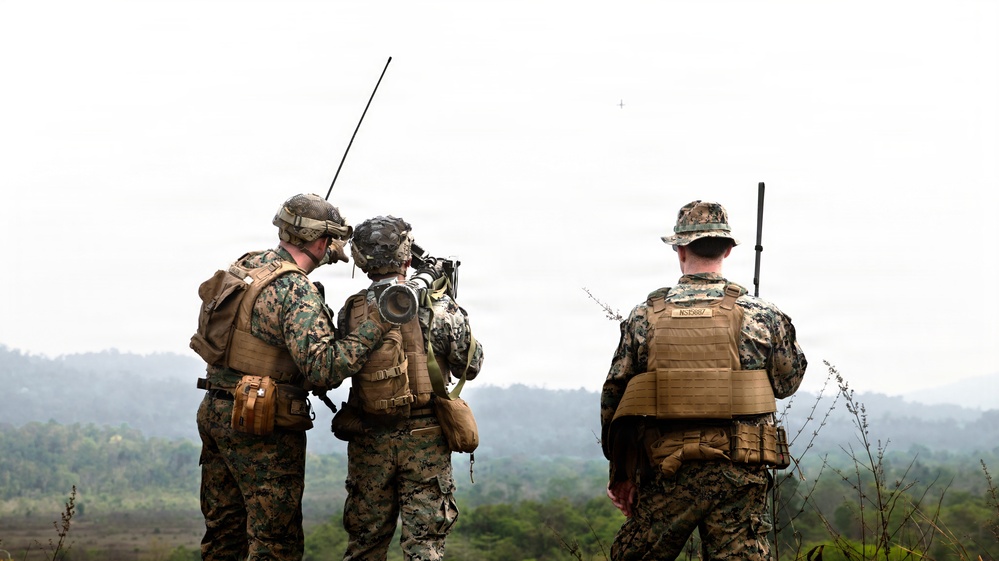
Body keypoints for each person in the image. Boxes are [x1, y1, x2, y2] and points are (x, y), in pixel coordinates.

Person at [600, 200, 807, 560]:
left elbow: (615, 400)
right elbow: (787, 384)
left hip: (665, 469)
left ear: (680, 249)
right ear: (727, 249)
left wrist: (622, 473)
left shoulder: (644, 316)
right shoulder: (762, 314)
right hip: (741, 466)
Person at [195, 193, 393, 561]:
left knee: (224, 537)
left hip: (217, 409)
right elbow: (324, 369)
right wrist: (376, 325)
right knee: (275, 544)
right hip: (259, 422)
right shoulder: (297, 290)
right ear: (320, 241)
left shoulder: (249, 265)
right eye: (330, 241)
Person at [334, 215, 484, 561]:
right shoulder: (440, 308)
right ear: (406, 256)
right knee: (424, 547)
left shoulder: (352, 311)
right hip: (425, 437)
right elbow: (470, 366)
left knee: (364, 545)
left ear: (361, 260)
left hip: (369, 437)